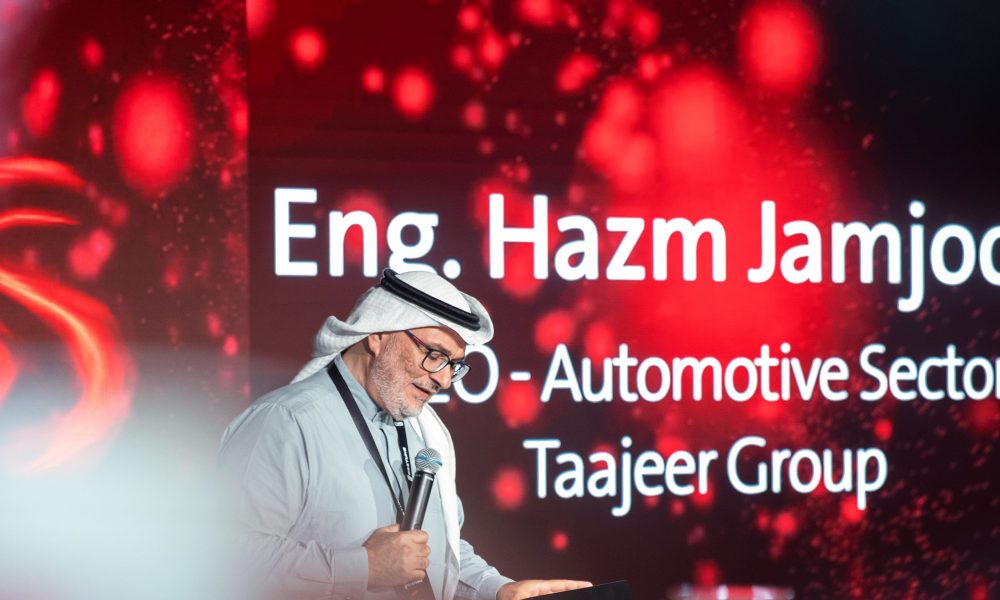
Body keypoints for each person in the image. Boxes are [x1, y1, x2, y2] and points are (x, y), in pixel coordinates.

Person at [219, 269, 591, 600]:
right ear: (379, 336)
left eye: (454, 365)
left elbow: (434, 552)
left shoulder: (423, 430)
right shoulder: (285, 422)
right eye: (435, 355)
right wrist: (364, 567)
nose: (444, 380)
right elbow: (226, 557)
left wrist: (497, 589)